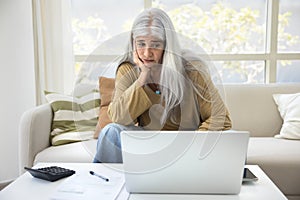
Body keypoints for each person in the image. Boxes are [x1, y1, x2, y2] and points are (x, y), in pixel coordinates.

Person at [93, 8, 232, 163]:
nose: (146, 53)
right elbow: (118, 118)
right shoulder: (128, 69)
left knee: (231, 141)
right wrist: (142, 78)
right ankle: (107, 185)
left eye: (155, 44)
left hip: (187, 142)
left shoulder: (192, 68)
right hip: (147, 143)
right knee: (110, 132)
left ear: (168, 45)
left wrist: (194, 144)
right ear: (133, 43)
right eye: (141, 44)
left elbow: (221, 117)